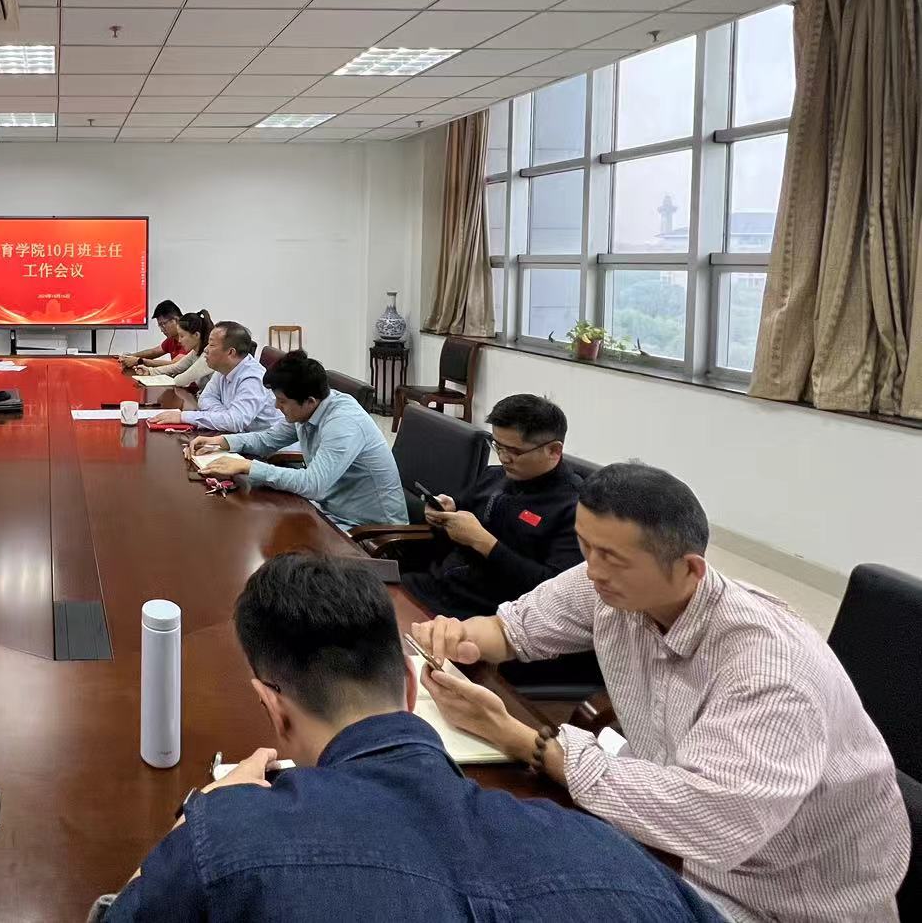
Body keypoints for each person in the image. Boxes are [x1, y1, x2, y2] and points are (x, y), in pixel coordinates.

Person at [99, 551, 721, 922]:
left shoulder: (227, 844)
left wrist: (198, 821)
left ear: (273, 708)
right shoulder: (616, 860)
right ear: (407, 685)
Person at [412, 463, 907, 923]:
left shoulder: (770, 670)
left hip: (775, 896)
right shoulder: (609, 585)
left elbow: (709, 822)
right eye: (585, 546)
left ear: (690, 568)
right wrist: (458, 636)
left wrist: (523, 741)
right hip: (671, 842)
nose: (592, 570)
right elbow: (513, 629)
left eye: (611, 557)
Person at [402, 393, 586, 619]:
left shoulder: (574, 507)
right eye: (498, 446)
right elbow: (462, 515)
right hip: (440, 585)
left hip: (490, 615)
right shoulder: (495, 477)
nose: (503, 458)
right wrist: (445, 513)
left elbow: (552, 591)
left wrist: (484, 543)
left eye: (514, 451)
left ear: (554, 450)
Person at [191, 351, 404, 528]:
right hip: (329, 511)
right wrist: (223, 441)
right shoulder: (308, 408)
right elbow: (269, 439)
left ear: (309, 401)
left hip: (368, 531)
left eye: (282, 401)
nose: (276, 406)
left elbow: (313, 484)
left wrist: (248, 466)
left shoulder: (343, 423)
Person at [149, 322, 283, 434]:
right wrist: (224, 416)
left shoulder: (253, 378)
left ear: (230, 352)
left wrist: (183, 417)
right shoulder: (223, 368)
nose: (206, 350)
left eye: (212, 345)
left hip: (267, 449)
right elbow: (205, 398)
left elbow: (235, 422)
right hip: (237, 437)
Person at [150, 310, 212, 388]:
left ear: (196, 335)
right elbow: (176, 367)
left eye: (182, 336)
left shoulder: (208, 356)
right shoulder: (195, 352)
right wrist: (150, 371)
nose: (179, 340)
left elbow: (181, 380)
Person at [119, 300, 184, 370]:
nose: (161, 330)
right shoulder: (172, 339)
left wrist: (140, 361)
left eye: (163, 324)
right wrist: (130, 356)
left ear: (176, 320)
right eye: (160, 325)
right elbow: (154, 352)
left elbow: (175, 364)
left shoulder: (189, 337)